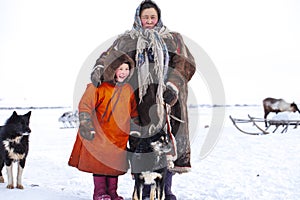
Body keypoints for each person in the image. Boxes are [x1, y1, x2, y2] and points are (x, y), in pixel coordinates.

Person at [90, 0, 196, 199]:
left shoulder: (173, 39)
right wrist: (99, 69)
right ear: (139, 18)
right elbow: (109, 57)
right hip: (138, 102)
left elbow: (185, 63)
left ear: (159, 18)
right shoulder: (127, 40)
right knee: (141, 145)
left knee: (166, 145)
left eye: (152, 17)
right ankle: (143, 189)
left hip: (168, 103)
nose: (149, 20)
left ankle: (165, 189)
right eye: (145, 17)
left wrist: (172, 85)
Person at [68, 50, 138, 200]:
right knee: (100, 164)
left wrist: (136, 127)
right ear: (112, 69)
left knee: (115, 165)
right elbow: (85, 106)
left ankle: (112, 192)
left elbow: (133, 112)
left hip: (119, 136)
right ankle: (99, 192)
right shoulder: (98, 87)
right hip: (100, 134)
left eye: (127, 69)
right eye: (120, 69)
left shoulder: (128, 89)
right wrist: (86, 125)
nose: (124, 72)